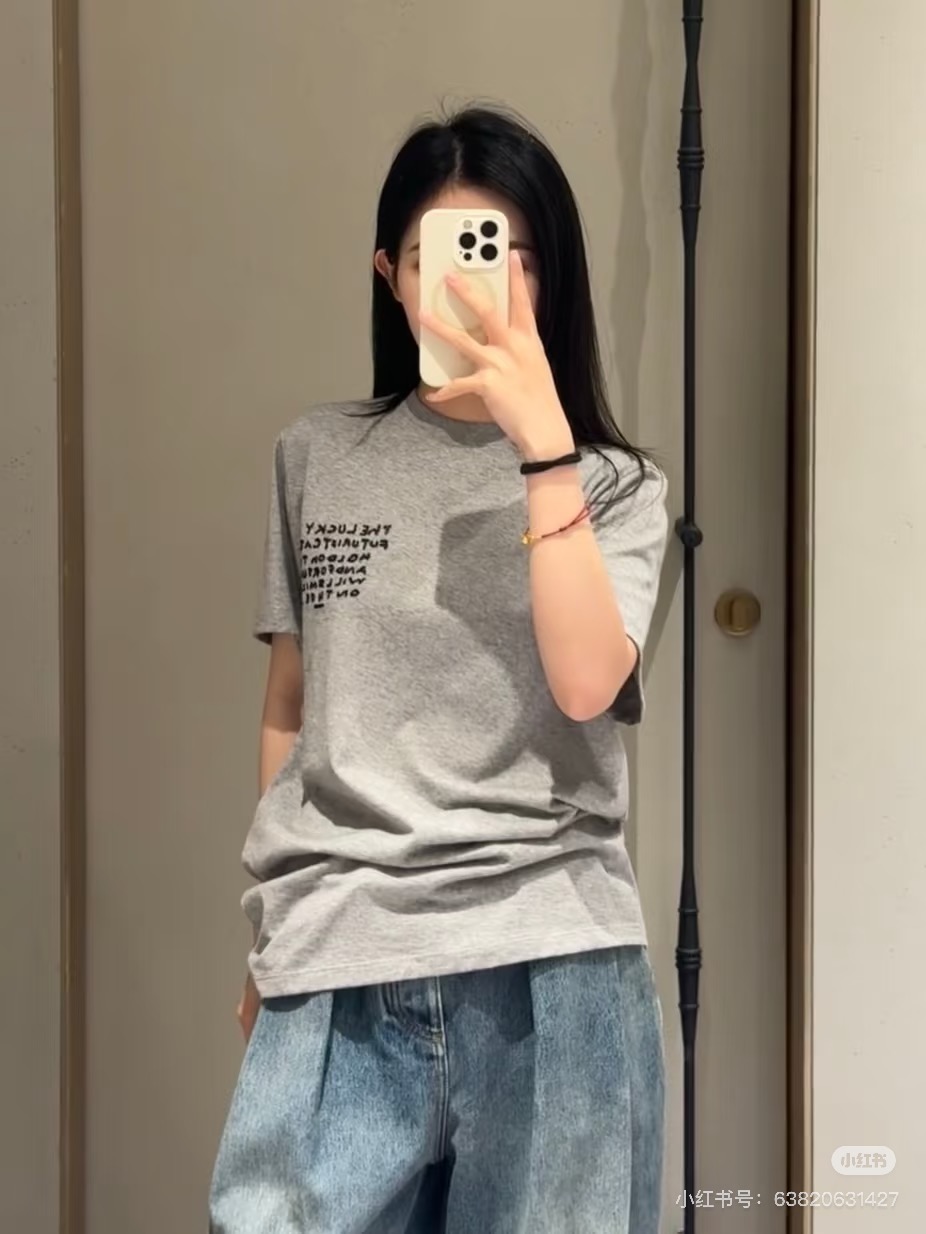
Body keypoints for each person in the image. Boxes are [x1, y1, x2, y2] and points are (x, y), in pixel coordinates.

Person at [209, 104, 669, 1234]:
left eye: (503, 255)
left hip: (552, 960)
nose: (471, 287)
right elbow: (290, 710)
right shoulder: (318, 455)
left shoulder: (614, 486)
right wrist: (272, 930)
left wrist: (543, 451)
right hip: (338, 952)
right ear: (391, 275)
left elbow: (585, 686)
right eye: (437, 257)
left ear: (548, 275)